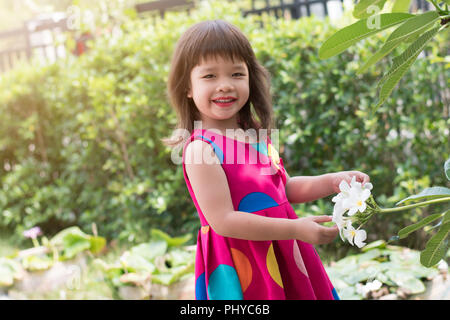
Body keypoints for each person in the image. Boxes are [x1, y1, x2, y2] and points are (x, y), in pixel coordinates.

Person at [164, 20, 370, 300]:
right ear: (187, 86)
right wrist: (295, 229)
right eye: (209, 76)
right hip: (245, 263)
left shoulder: (255, 136)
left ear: (250, 77)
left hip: (285, 253)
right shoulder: (200, 149)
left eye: (237, 73)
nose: (225, 85)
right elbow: (224, 220)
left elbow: (282, 190)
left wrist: (332, 182)